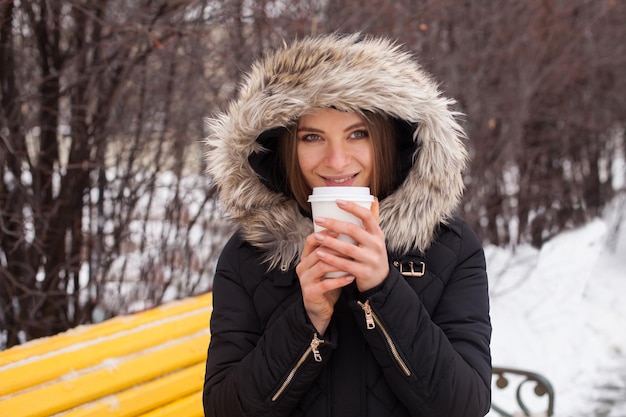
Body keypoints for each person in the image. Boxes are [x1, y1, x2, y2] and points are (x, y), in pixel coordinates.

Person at [202, 33, 491, 417]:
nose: (337, 162)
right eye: (312, 137)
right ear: (288, 148)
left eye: (358, 134)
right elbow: (225, 409)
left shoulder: (447, 247)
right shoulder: (250, 256)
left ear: (389, 139)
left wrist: (383, 290)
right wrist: (309, 318)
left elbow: (465, 404)